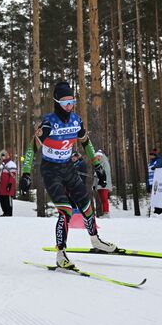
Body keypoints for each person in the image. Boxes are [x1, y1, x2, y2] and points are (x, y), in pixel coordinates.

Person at [21, 81, 117, 269]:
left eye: (71, 101)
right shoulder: (49, 123)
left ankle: (96, 241)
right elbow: (32, 148)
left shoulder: (76, 121)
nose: (69, 106)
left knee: (87, 206)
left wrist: (97, 165)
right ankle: (61, 254)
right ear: (57, 103)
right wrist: (25, 173)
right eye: (65, 102)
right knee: (65, 210)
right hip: (50, 171)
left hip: (68, 168)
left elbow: (86, 143)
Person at [0, 149, 17, 216]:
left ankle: (8, 213)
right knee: (2, 199)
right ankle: (5, 212)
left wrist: (10, 184)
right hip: (2, 186)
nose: (3, 157)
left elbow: (12, 176)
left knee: (7, 200)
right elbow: (1, 176)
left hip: (8, 186)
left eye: (4, 155)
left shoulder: (11, 164)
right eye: (2, 156)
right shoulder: (2, 165)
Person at [94, 149, 112, 216]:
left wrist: (104, 181)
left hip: (104, 184)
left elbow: (106, 173)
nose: (98, 157)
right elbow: (96, 175)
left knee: (104, 199)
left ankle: (106, 213)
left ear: (101, 156)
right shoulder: (97, 164)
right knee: (102, 199)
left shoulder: (105, 162)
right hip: (99, 184)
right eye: (97, 156)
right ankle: (104, 212)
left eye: (99, 156)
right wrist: (94, 185)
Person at [147, 148, 162, 214]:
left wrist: (155, 167)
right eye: (150, 155)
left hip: (157, 182)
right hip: (151, 183)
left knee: (157, 197)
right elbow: (149, 175)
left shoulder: (158, 160)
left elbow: (160, 164)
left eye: (152, 155)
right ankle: (156, 209)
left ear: (155, 155)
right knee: (153, 197)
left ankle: (159, 210)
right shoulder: (149, 163)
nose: (150, 156)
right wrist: (147, 185)